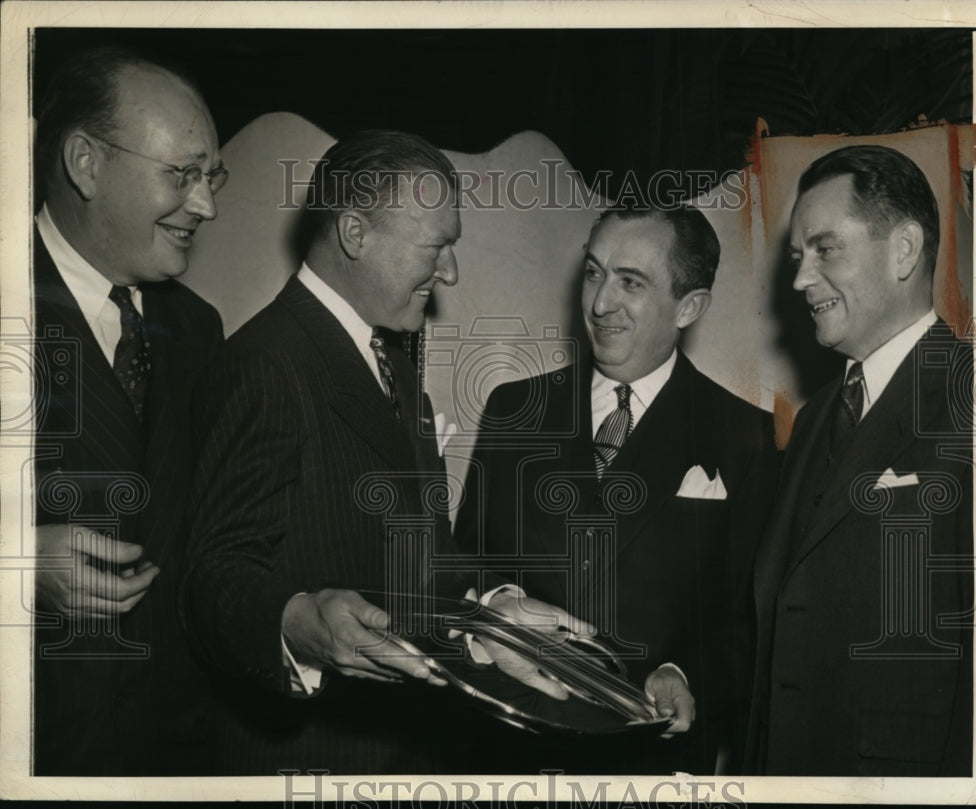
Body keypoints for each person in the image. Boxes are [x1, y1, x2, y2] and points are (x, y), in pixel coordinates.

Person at [182, 130, 592, 774]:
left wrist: (488, 613)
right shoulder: (263, 365)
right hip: (306, 760)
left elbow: (421, 549)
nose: (451, 271)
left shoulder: (393, 362)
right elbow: (213, 579)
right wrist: (293, 622)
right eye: (438, 246)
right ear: (354, 234)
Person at [453, 205, 777, 774]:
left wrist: (684, 676)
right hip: (513, 753)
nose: (601, 304)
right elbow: (461, 563)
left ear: (690, 305)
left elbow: (748, 622)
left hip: (650, 764)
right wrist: (495, 605)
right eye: (594, 272)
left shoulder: (745, 437)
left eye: (631, 282)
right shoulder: (513, 409)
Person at [746, 145, 973, 776]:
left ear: (903, 250)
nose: (798, 280)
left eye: (826, 249)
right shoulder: (818, 413)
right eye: (798, 257)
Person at [31, 46, 226, 775]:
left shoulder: (199, 330)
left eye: (212, 176)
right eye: (182, 174)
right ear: (86, 161)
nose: (206, 205)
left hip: (171, 752)